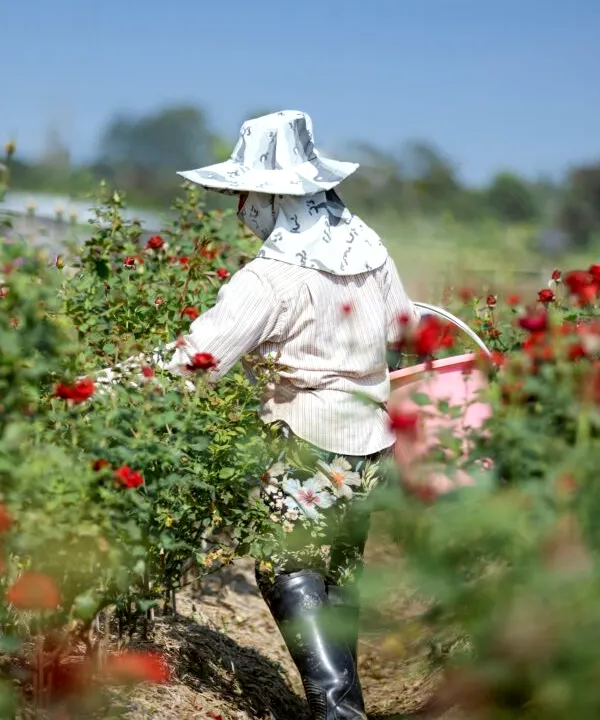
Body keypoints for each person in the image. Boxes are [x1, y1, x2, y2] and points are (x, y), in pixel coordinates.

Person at [160, 110, 419, 720]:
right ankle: (345, 706)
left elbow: (194, 363)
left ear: (272, 199)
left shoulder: (268, 279)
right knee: (339, 572)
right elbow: (405, 327)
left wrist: (108, 385)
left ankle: (337, 712)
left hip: (305, 435)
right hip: (370, 436)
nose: (238, 208)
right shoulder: (369, 251)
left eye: (243, 194)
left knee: (287, 566)